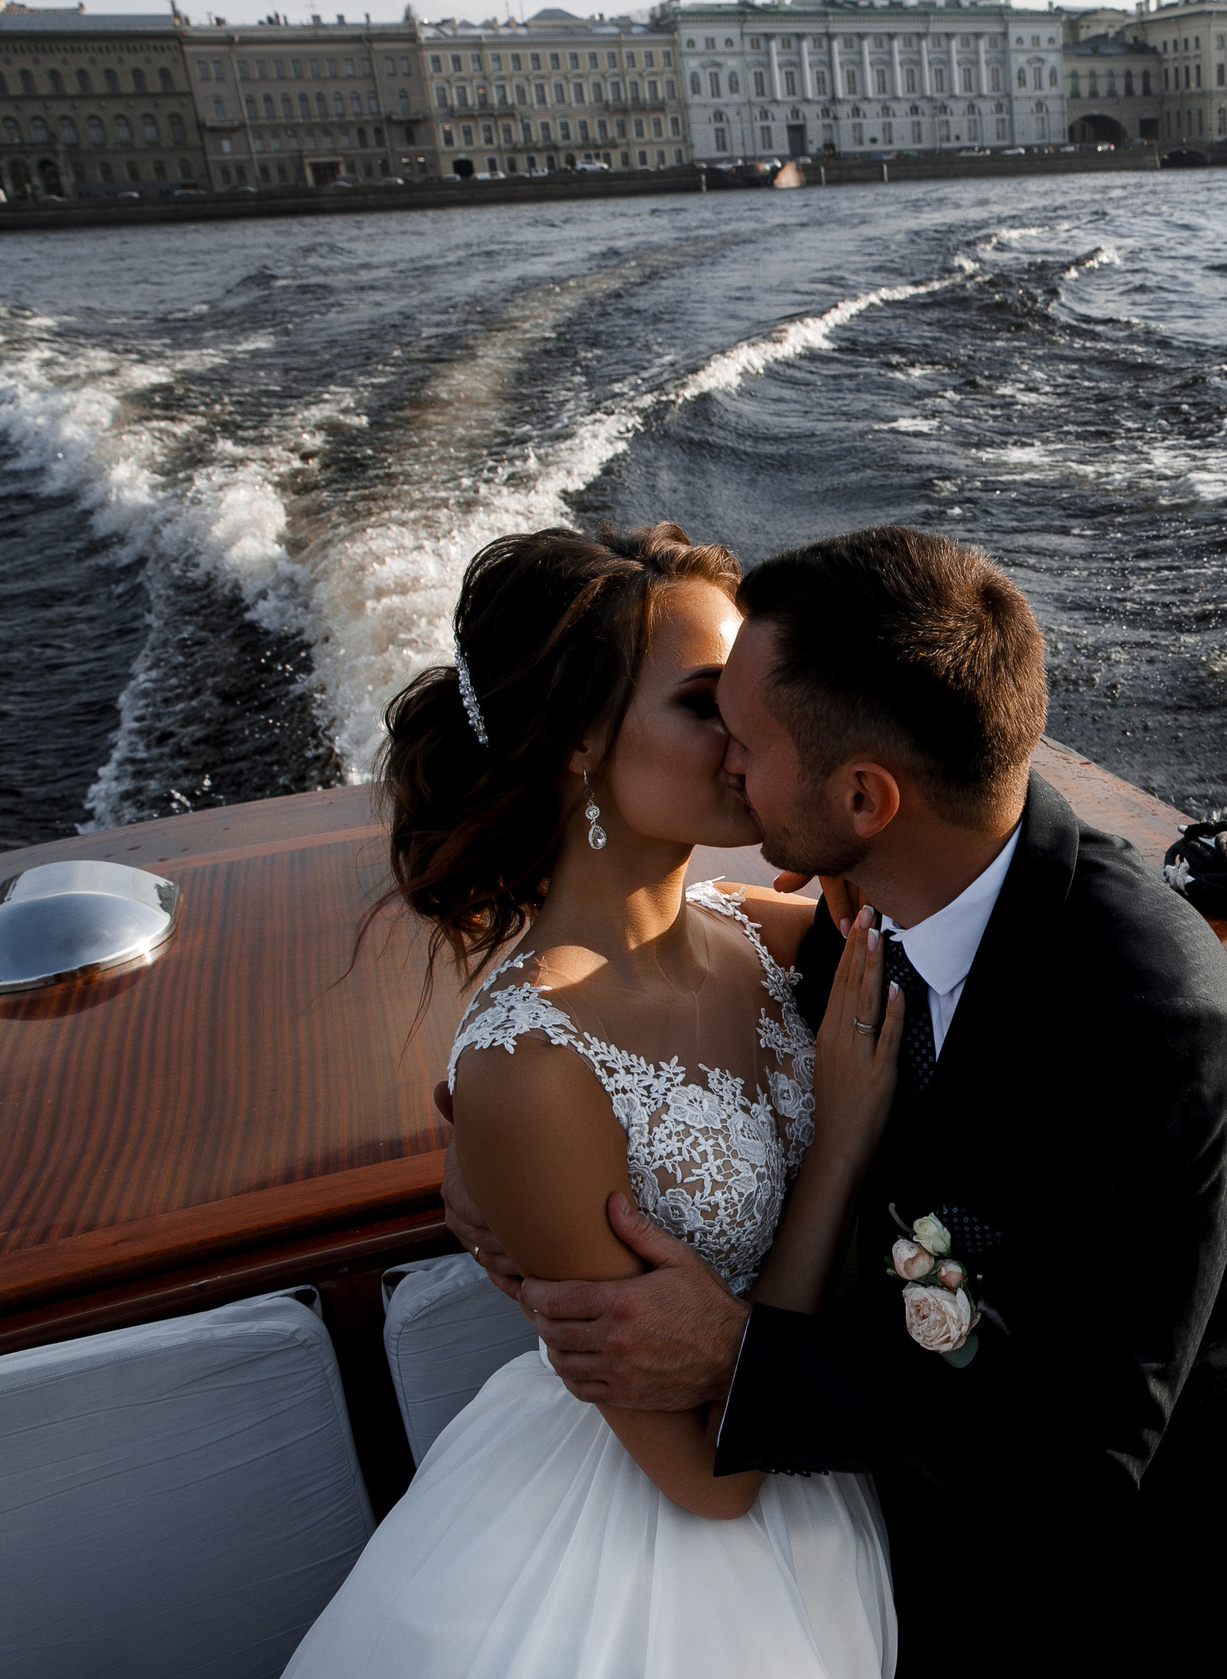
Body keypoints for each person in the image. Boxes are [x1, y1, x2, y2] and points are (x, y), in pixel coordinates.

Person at [445, 526, 1227, 1677]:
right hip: (916, 1496)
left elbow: (1081, 1460)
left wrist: (742, 1356)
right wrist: (486, 1152)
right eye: (707, 708)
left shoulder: (1148, 1024)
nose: (733, 753)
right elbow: (580, 1033)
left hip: (1213, 1561)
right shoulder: (858, 908)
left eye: (748, 730)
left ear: (863, 795)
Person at [286, 525, 908, 1678]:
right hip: (678, 1537)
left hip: (836, 1445)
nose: (752, 735)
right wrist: (838, 1144)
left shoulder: (760, 934)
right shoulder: (530, 1066)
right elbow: (708, 1482)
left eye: (754, 698)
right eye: (705, 704)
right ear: (578, 741)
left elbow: (956, 915)